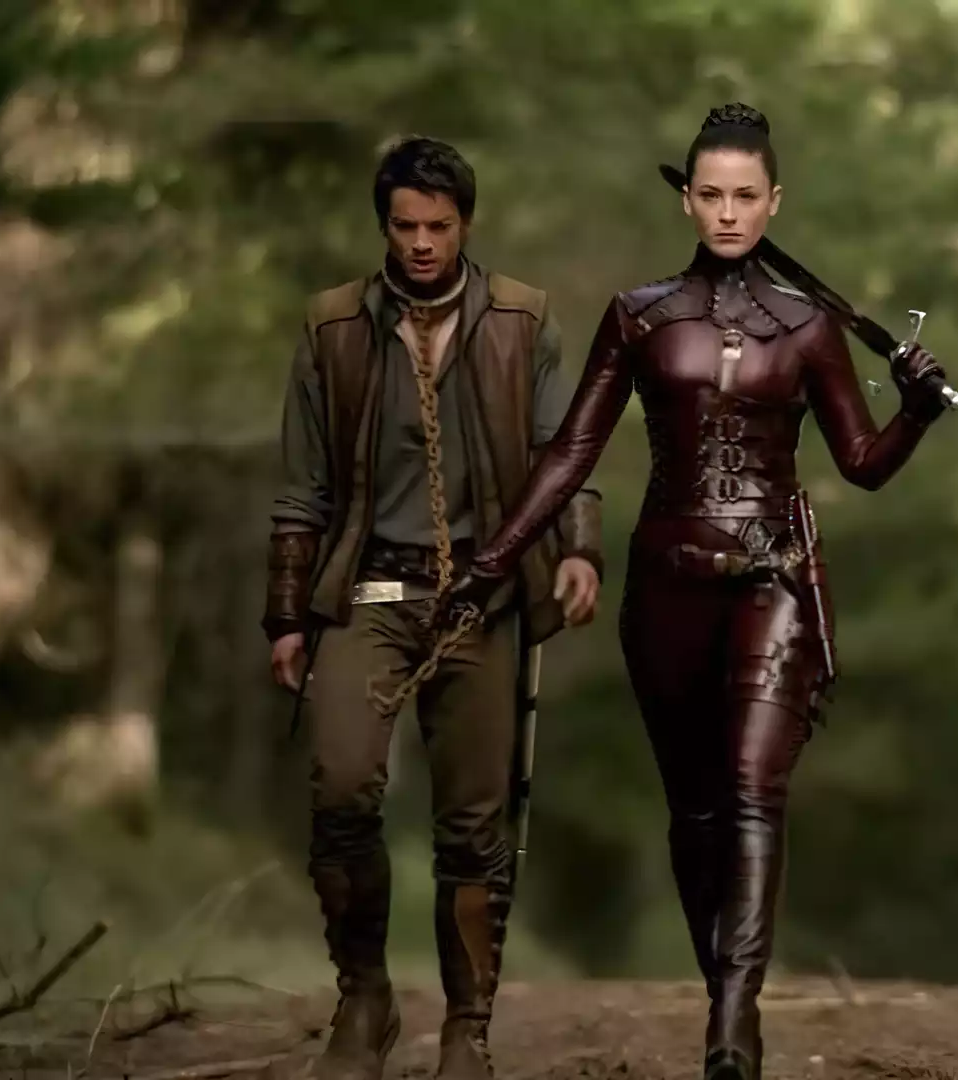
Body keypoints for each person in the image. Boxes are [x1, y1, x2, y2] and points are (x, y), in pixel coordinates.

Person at [448, 103, 949, 1080]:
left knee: (755, 789)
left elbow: (861, 464)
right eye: (710, 195)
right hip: (668, 582)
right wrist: (493, 561)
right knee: (696, 812)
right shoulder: (639, 315)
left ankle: (733, 1020)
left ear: (774, 202)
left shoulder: (809, 326)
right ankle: (723, 988)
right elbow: (571, 452)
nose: (727, 214)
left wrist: (917, 414)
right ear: (687, 199)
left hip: (775, 578)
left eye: (744, 197)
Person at [261, 135, 605, 1080]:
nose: (420, 243)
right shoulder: (334, 327)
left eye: (438, 227)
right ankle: (363, 999)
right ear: (384, 225)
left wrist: (580, 549)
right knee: (340, 789)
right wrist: (287, 615)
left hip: (480, 598)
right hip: (367, 591)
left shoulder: (523, 320)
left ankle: (467, 1028)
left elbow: (564, 454)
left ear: (466, 225)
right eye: (404, 225)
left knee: (473, 824)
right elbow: (301, 486)